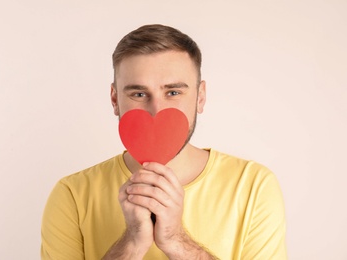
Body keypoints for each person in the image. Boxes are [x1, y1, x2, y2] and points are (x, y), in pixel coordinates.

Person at [41, 24, 287, 260]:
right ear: (115, 100)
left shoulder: (254, 186)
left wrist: (176, 240)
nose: (156, 110)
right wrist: (132, 243)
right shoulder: (72, 194)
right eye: (138, 94)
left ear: (200, 97)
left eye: (173, 92)